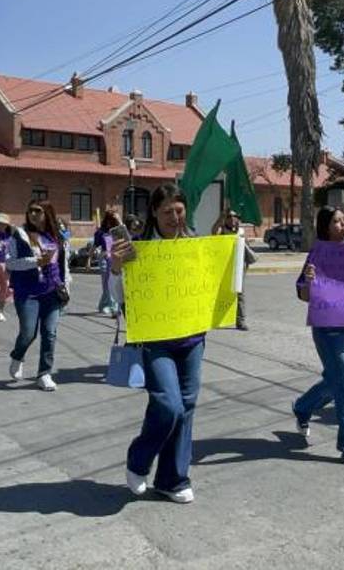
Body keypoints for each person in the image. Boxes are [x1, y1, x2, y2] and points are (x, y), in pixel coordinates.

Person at [110, 183, 204, 504]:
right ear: (153, 212)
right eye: (167, 212)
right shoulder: (137, 248)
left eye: (179, 210)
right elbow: (118, 297)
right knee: (168, 404)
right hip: (155, 339)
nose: (174, 217)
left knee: (186, 407)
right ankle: (138, 460)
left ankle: (172, 480)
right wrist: (117, 267)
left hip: (192, 337)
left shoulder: (196, 245)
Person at [293, 206, 344, 469]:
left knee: (336, 381)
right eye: (337, 222)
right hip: (327, 328)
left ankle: (303, 407)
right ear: (325, 227)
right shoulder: (318, 254)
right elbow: (304, 295)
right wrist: (310, 282)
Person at [5, 201, 69, 392]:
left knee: (49, 333)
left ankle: (44, 374)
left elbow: (63, 264)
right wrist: (36, 262)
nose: (33, 214)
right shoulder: (20, 235)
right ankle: (18, 355)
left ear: (47, 213)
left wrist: (65, 286)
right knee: (28, 333)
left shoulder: (57, 236)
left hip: (52, 292)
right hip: (27, 293)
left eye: (37, 211)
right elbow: (10, 263)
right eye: (30, 210)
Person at [213, 209, 256, 330]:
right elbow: (214, 232)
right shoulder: (222, 230)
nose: (232, 219)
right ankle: (217, 318)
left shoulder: (241, 231)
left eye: (234, 216)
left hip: (238, 268)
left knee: (240, 294)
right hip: (224, 267)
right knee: (220, 293)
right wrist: (220, 218)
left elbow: (246, 250)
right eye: (229, 216)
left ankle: (240, 321)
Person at [94, 210, 122, 316]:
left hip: (115, 258)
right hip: (104, 259)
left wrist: (119, 220)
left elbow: (127, 235)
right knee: (107, 284)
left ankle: (103, 305)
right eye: (112, 219)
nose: (113, 221)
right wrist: (88, 260)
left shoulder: (118, 230)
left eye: (115, 219)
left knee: (112, 283)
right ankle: (113, 308)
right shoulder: (101, 232)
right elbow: (95, 245)